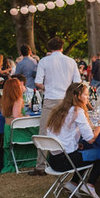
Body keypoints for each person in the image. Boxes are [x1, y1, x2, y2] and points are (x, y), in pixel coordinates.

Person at [44, 83, 100, 198]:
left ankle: (73, 184)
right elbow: (91, 139)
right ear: (78, 96)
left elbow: (63, 135)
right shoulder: (77, 111)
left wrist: (76, 143)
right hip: (66, 161)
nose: (88, 97)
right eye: (86, 95)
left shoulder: (58, 110)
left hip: (53, 159)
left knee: (84, 151)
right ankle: (90, 185)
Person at [32, 37, 81, 175]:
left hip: (51, 98)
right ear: (62, 47)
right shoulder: (71, 61)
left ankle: (40, 166)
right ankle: (70, 161)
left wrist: (46, 87)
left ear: (49, 48)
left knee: (44, 132)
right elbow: (77, 82)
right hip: (67, 99)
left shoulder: (44, 61)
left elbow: (38, 82)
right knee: (69, 130)